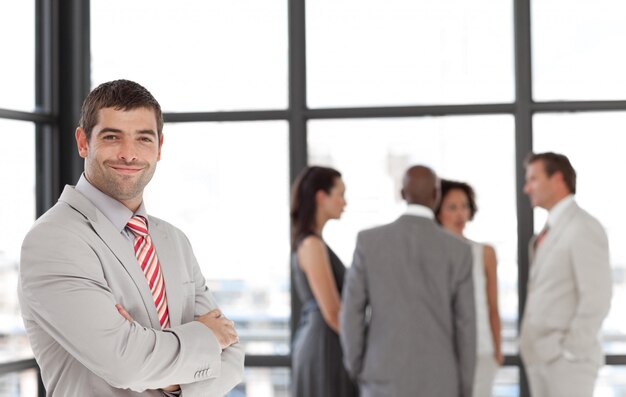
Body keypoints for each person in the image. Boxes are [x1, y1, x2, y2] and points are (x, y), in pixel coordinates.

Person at [18, 79, 244, 397]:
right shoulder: (54, 240)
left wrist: (151, 363)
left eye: (143, 139)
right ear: (83, 142)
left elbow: (233, 359)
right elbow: (126, 365)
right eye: (112, 137)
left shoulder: (174, 240)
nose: (129, 154)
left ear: (159, 147)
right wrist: (205, 341)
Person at [340, 165, 475, 397]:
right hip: (441, 381)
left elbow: (351, 311)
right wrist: (463, 385)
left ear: (403, 194)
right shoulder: (458, 251)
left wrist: (358, 366)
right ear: (437, 195)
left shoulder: (369, 242)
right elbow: (466, 325)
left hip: (380, 378)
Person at [520, 152, 612, 397]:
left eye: (533, 179)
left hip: (567, 362)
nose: (526, 188)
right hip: (541, 358)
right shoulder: (549, 230)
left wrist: (570, 350)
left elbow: (597, 297)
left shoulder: (583, 227)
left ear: (557, 179)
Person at [290, 166, 358, 397]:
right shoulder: (312, 245)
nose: (344, 203)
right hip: (323, 345)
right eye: (340, 194)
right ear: (321, 197)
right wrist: (363, 347)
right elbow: (332, 311)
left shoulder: (313, 242)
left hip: (325, 342)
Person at [435, 179, 502, 397]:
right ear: (438, 210)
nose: (460, 214)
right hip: (441, 352)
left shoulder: (484, 252)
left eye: (464, 206)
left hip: (481, 350)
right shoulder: (430, 255)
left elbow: (493, 306)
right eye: (452, 207)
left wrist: (497, 350)